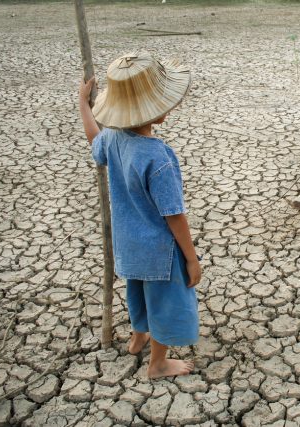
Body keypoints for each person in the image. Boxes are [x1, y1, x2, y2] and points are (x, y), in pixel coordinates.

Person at [78, 51, 200, 378]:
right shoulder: (158, 157)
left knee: (138, 293)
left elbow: (95, 139)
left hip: (128, 244)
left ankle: (137, 337)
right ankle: (158, 363)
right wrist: (190, 257)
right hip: (159, 251)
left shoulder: (115, 139)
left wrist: (83, 105)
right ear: (157, 109)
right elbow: (174, 215)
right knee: (163, 302)